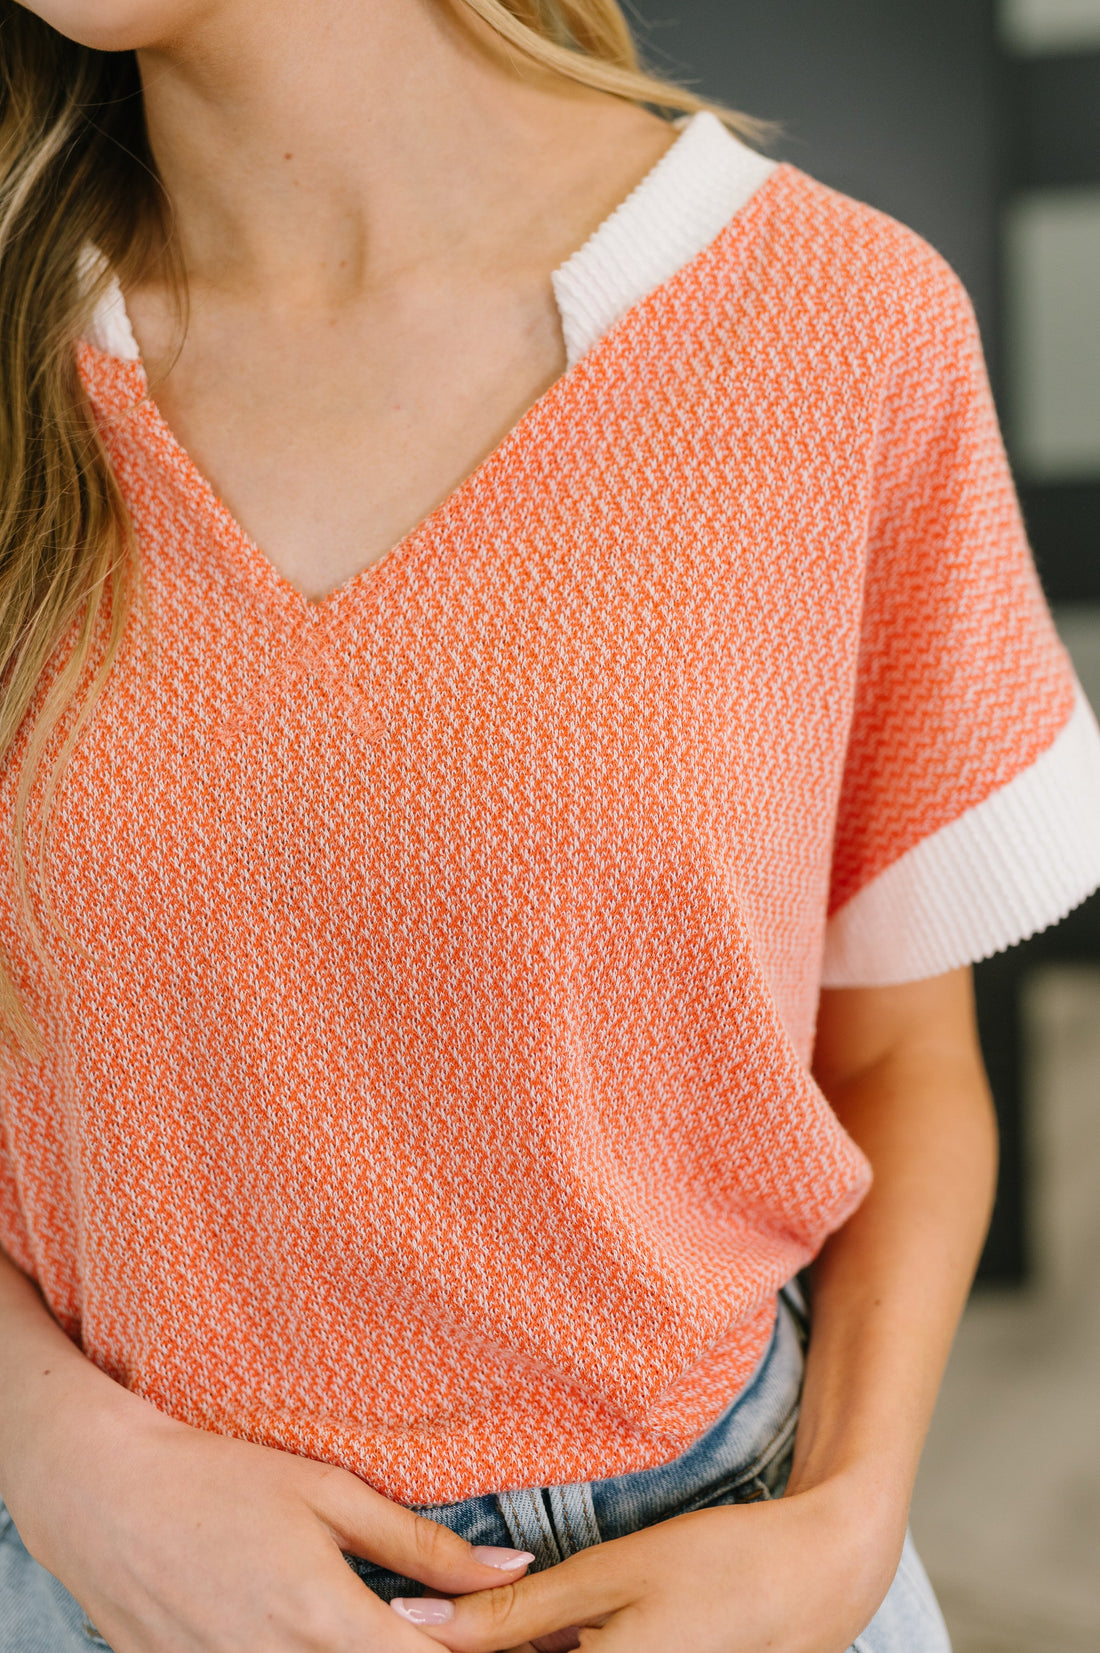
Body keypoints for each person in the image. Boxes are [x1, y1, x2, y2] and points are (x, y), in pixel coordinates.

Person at [1, 1, 1099, 1649]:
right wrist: (63, 1452)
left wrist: (849, 1525)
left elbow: (900, 1066)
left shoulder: (841, 327)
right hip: (120, 1584)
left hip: (730, 1567)